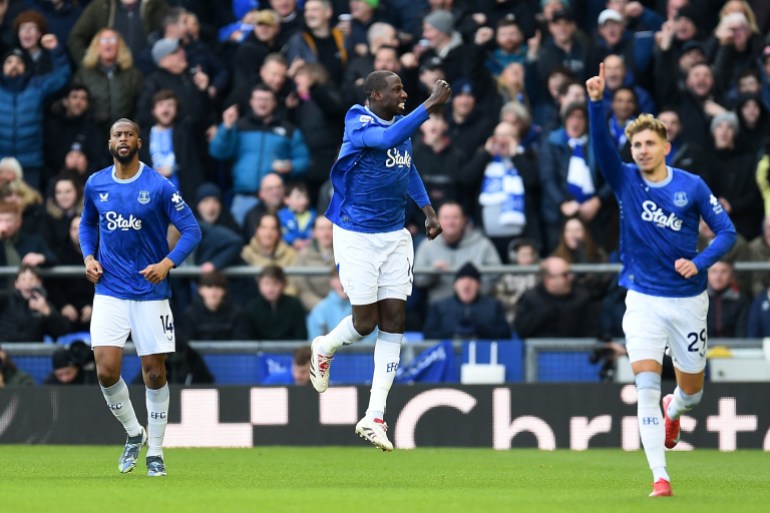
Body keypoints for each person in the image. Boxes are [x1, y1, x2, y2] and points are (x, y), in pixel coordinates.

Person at [586, 64, 737, 497]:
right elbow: (600, 148)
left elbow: (727, 232)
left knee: (691, 393)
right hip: (643, 301)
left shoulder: (691, 186)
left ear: (666, 146)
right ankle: (661, 476)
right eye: (636, 144)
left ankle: (678, 408)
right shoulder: (625, 181)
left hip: (688, 302)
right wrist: (596, 104)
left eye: (650, 143)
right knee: (645, 386)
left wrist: (700, 261)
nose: (642, 150)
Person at [308, 70, 451, 452]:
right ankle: (324, 347)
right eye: (397, 90)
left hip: (394, 237)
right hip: (356, 235)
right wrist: (429, 106)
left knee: (395, 320)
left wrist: (427, 208)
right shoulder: (358, 120)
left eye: (405, 88)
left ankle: (374, 416)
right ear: (375, 95)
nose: (404, 94)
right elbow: (388, 139)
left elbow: (406, 163)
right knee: (364, 322)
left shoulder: (399, 127)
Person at [79, 118, 202, 477]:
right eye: (117, 134)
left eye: (129, 134)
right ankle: (135, 433)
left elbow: (193, 230)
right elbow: (87, 223)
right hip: (110, 290)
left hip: (150, 292)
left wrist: (167, 263)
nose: (122, 139)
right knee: (105, 371)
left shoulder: (159, 186)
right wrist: (89, 257)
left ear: (139, 142)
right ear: (109, 142)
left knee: (153, 372)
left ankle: (157, 452)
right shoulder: (95, 183)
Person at [422, 262, 511, 340]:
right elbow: (428, 335)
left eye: (471, 280)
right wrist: (453, 333)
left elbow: (505, 335)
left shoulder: (493, 306)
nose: (466, 284)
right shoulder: (439, 307)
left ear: (479, 285)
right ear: (454, 285)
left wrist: (480, 331)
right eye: (462, 280)